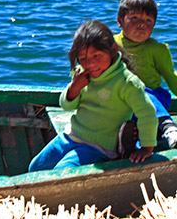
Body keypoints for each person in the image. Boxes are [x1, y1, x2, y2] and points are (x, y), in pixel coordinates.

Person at [28, 20, 157, 172]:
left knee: (64, 171)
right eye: (83, 58)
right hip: (70, 136)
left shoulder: (126, 82)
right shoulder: (81, 73)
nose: (90, 64)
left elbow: (147, 113)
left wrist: (147, 148)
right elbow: (66, 105)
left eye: (97, 56)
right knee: (35, 167)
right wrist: (75, 87)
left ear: (113, 50)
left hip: (97, 147)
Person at [114, 0, 177, 149]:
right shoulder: (110, 45)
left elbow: (172, 78)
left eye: (148, 20)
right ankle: (130, 145)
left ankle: (169, 127)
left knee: (141, 92)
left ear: (153, 26)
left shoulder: (157, 49)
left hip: (153, 99)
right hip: (122, 102)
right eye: (135, 18)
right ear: (120, 21)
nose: (142, 24)